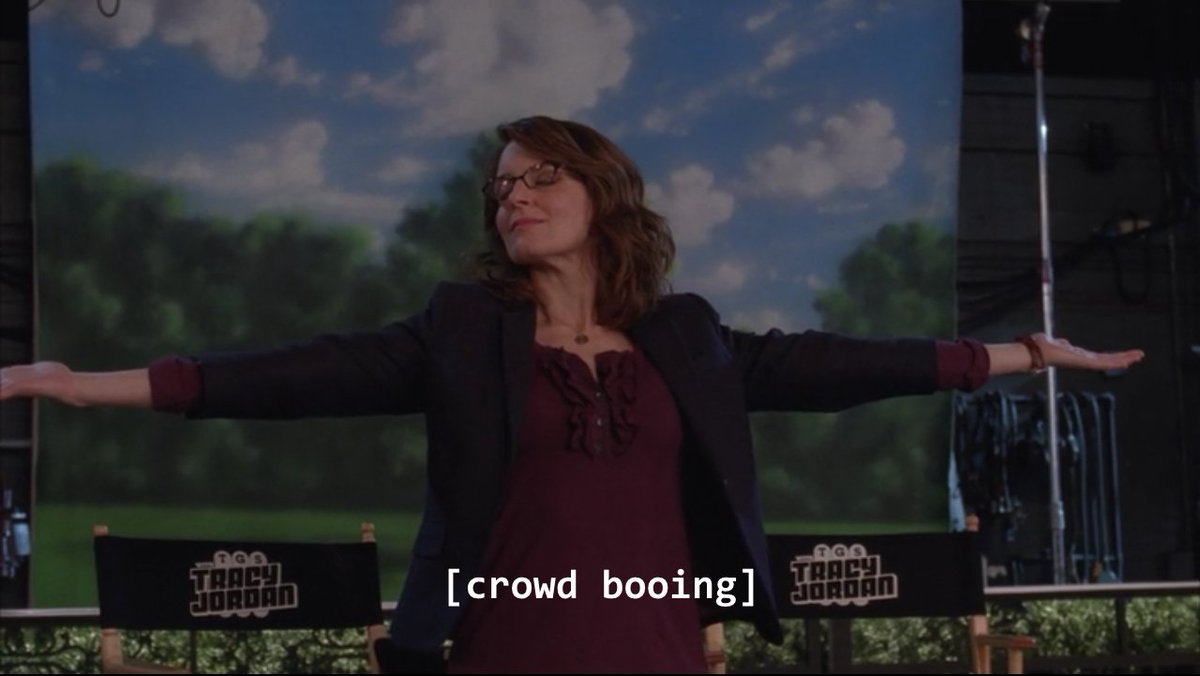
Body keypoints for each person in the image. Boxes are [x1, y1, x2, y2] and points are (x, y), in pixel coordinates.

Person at [0, 116, 1143, 673]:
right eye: (503, 185)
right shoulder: (461, 329)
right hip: (506, 641)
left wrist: (1026, 354)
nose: (516, 196)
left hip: (656, 641)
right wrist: (77, 386)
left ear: (604, 196)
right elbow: (286, 377)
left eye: (543, 176)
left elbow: (848, 366)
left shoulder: (688, 337)